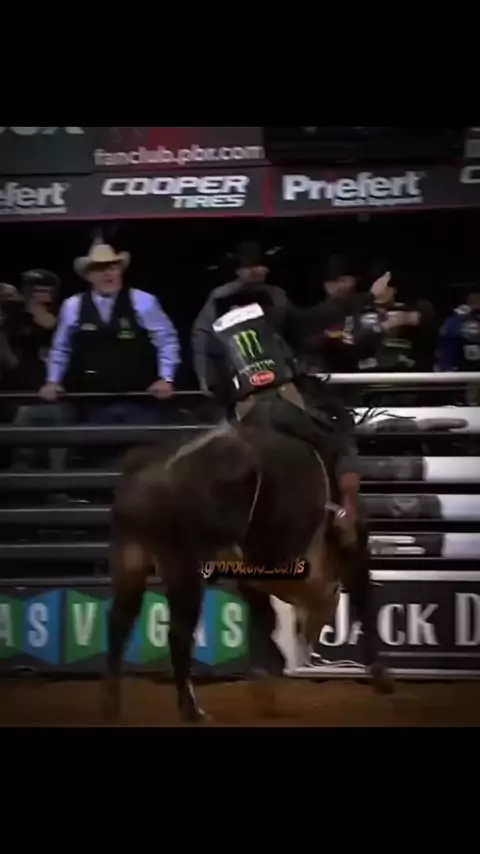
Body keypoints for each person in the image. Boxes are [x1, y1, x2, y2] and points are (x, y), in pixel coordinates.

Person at [39, 242, 180, 424]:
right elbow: (61, 348)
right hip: (90, 401)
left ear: (120, 271)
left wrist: (166, 378)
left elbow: (166, 341)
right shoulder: (73, 306)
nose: (107, 274)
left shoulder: (143, 302)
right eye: (100, 269)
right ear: (89, 276)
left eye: (112, 267)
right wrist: (53, 381)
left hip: (140, 399)